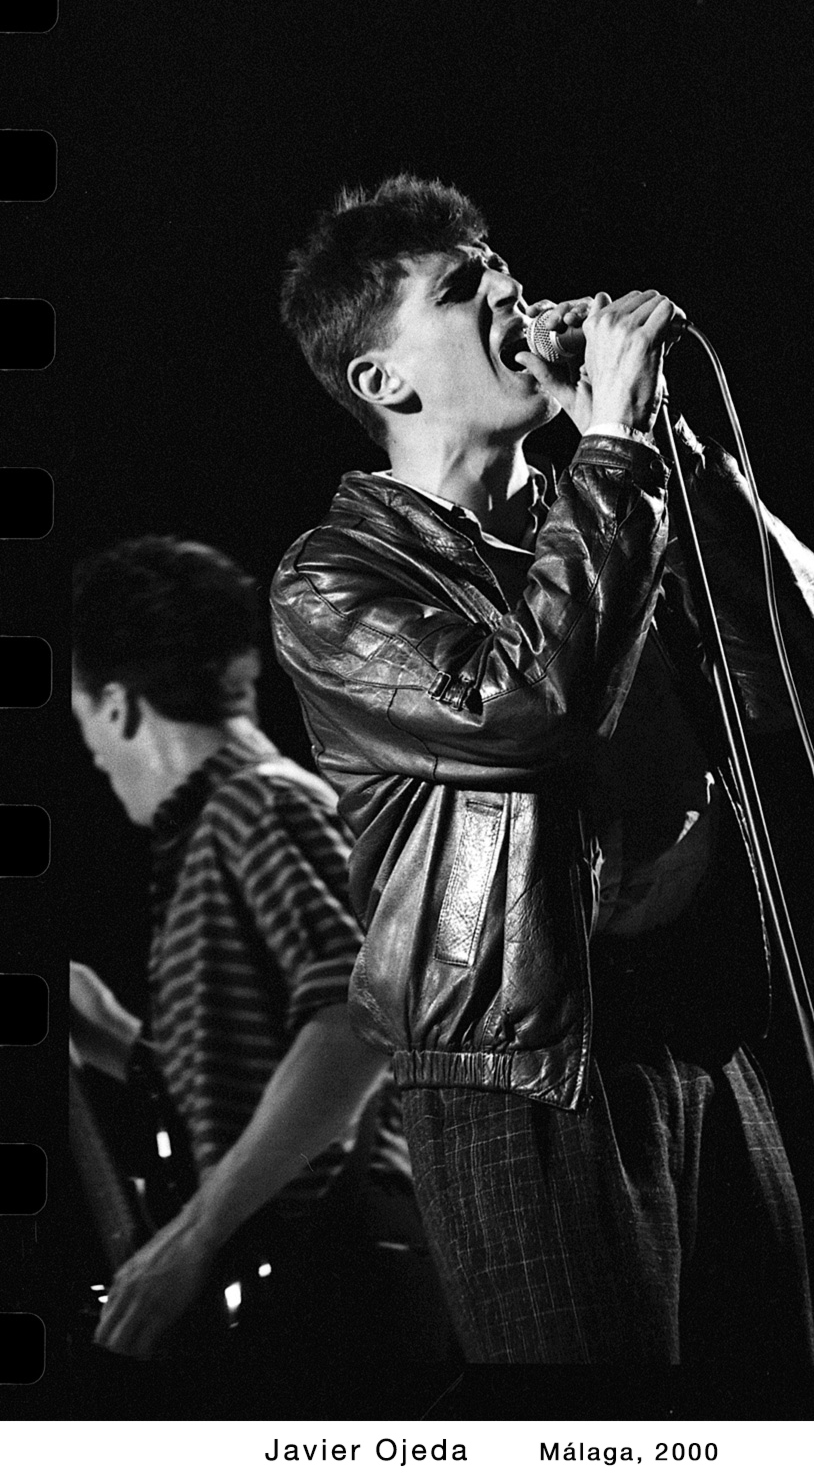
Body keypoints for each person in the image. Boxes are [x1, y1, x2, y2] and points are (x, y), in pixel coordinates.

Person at [270, 174, 814, 1367]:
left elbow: (805, 672)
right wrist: (615, 456)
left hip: (698, 1034)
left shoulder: (613, 503)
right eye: (460, 290)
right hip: (525, 1078)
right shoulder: (332, 582)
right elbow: (526, 710)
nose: (511, 298)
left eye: (506, 273)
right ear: (382, 379)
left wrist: (676, 452)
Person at [70, 535, 451, 1391]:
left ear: (119, 707)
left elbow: (355, 1020)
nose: (93, 755)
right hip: (319, 1278)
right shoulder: (223, 826)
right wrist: (114, 1037)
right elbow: (271, 1076)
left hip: (346, 1284)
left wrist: (192, 1236)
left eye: (84, 722)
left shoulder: (257, 802)